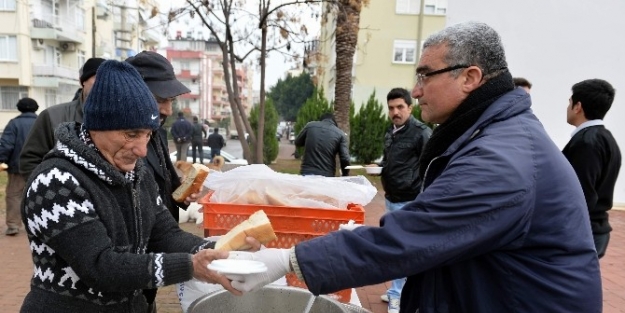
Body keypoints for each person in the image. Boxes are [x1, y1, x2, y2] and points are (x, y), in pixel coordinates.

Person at [226, 22, 602, 313]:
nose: (416, 90)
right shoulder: (490, 135)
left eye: (425, 75)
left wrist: (285, 260)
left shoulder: (503, 159)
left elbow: (406, 240)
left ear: (470, 77)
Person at [18, 60, 244, 312]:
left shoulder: (138, 175)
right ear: (96, 127)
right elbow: (101, 267)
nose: (142, 149)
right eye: (131, 134)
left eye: (148, 134)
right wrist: (191, 265)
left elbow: (166, 236)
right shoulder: (55, 182)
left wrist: (221, 251)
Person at [126, 50, 197, 312]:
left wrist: (181, 189)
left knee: (146, 301)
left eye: (171, 100)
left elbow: (163, 173)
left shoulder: (155, 130)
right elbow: (103, 264)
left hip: (156, 246)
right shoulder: (107, 150)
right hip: (131, 265)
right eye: (160, 99)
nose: (167, 109)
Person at [370, 88, 431, 313]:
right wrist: (380, 167)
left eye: (400, 107)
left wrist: (424, 199)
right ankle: (398, 290)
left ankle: (398, 295)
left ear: (410, 108)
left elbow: (430, 166)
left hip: (410, 200)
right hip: (391, 198)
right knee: (394, 245)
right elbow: (390, 161)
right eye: (391, 108)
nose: (395, 112)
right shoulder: (391, 132)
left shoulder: (420, 132)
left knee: (402, 249)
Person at [562, 79, 621, 259]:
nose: (568, 107)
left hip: (582, 234)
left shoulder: (587, 143)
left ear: (578, 106)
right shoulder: (606, 138)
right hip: (594, 230)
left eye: (569, 102)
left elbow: (582, 194)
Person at [19, 57, 106, 179]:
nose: (104, 85)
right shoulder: (52, 116)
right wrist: (46, 190)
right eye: (98, 78)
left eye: (109, 80)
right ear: (82, 82)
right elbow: (30, 160)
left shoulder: (122, 118)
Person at [0, 98, 38, 236]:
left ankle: (13, 225)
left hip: (18, 167)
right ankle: (39, 224)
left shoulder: (14, 123)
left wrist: (2, 159)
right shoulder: (42, 121)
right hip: (40, 166)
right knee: (37, 194)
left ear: (19, 108)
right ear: (36, 107)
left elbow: (6, 144)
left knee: (14, 195)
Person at [294, 113, 351, 177]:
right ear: (334, 122)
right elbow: (345, 158)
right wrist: (345, 174)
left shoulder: (310, 126)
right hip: (327, 174)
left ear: (321, 120)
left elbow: (297, 142)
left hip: (307, 171)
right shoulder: (341, 134)